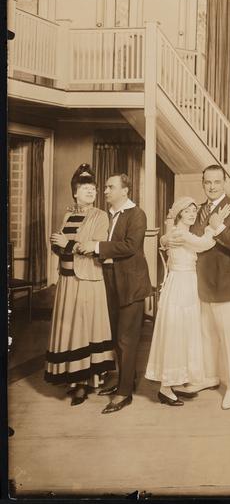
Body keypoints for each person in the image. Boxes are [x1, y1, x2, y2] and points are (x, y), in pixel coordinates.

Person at [163, 165, 230, 410]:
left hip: (226, 283)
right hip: (199, 283)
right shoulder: (197, 210)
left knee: (228, 338)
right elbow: (181, 234)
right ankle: (210, 377)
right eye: (208, 182)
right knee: (205, 335)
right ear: (203, 184)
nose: (212, 186)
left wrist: (219, 226)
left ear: (224, 183)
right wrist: (165, 239)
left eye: (217, 182)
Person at [144, 197, 230, 406]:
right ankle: (165, 388)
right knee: (175, 333)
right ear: (179, 214)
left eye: (194, 211)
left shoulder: (178, 232)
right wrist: (216, 224)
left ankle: (174, 382)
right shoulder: (180, 233)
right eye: (187, 211)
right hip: (180, 284)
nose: (192, 214)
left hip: (186, 283)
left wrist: (164, 239)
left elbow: (176, 240)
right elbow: (204, 244)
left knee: (183, 332)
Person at [77, 173, 152, 414]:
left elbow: (130, 246)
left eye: (111, 187)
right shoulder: (106, 215)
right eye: (106, 187)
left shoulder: (136, 214)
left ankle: (124, 393)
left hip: (131, 284)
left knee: (126, 339)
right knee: (116, 337)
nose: (105, 191)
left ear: (125, 190)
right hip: (109, 282)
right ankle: (125, 379)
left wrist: (96, 246)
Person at [45, 164, 116, 406]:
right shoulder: (68, 215)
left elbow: (94, 247)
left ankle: (84, 383)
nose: (90, 191)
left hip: (88, 280)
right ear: (75, 192)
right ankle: (73, 377)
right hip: (67, 281)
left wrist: (66, 243)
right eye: (85, 188)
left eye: (93, 188)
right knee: (71, 330)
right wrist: (57, 244)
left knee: (85, 330)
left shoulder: (100, 216)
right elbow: (61, 245)